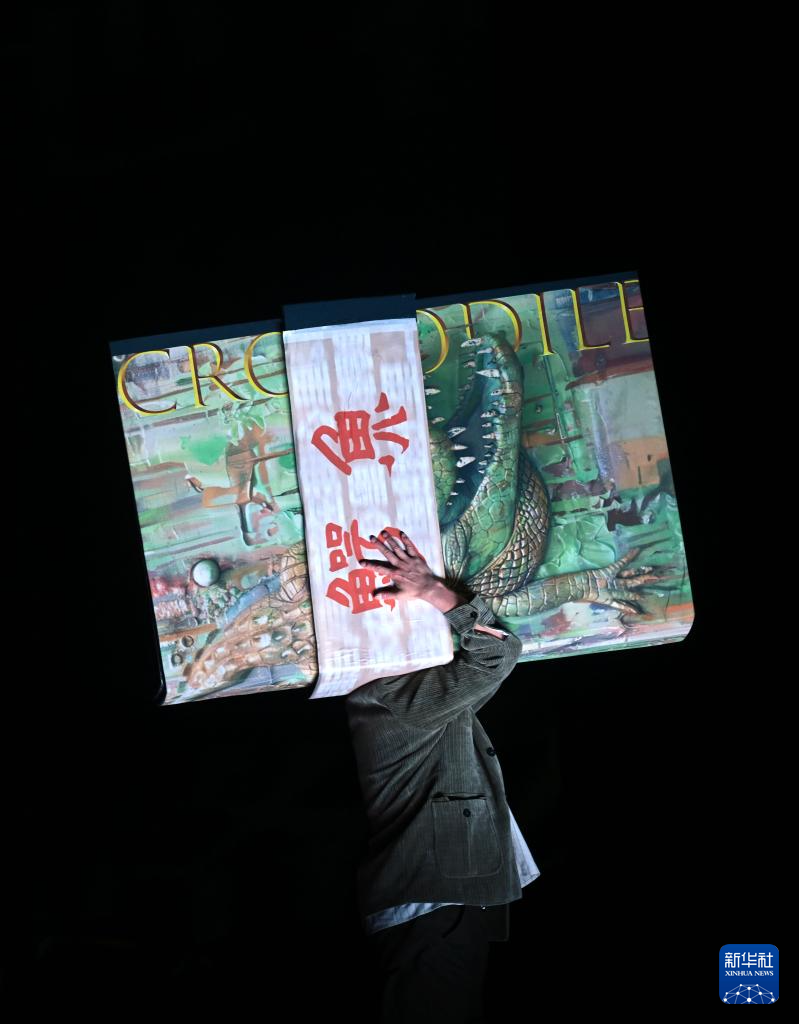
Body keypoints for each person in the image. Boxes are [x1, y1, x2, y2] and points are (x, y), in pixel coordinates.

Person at [345, 529, 540, 1023]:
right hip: (432, 908)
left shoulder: (400, 699)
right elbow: (497, 655)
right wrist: (432, 589)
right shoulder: (395, 699)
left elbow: (491, 661)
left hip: (435, 905)